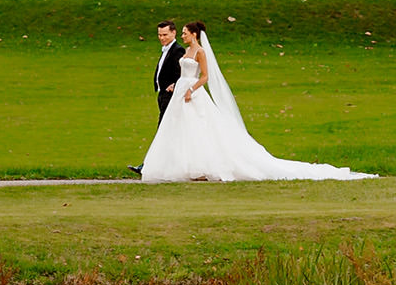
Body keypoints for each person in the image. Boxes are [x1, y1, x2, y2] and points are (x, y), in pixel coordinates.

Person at [140, 20, 372, 183]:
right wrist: (176, 84)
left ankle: (204, 166)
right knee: (180, 129)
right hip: (180, 90)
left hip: (192, 92)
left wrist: (191, 89)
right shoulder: (185, 52)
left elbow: (205, 76)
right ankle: (182, 164)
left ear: (194, 34)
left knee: (202, 128)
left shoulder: (200, 52)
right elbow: (182, 72)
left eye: (184, 32)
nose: (181, 35)